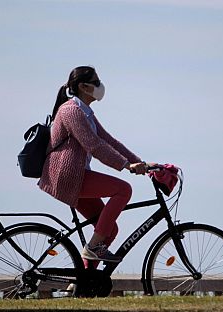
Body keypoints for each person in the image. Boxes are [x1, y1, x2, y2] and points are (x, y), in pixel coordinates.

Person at [39, 66, 148, 267]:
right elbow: (94, 145)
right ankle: (92, 248)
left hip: (76, 176)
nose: (100, 86)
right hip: (67, 176)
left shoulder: (85, 111)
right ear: (83, 86)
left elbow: (110, 141)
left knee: (109, 230)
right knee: (123, 190)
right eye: (96, 82)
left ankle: (82, 284)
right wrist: (126, 165)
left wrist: (141, 163)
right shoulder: (71, 111)